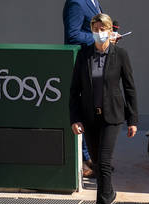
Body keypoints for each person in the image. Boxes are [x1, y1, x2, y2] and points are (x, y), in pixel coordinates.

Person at [69, 13, 138, 204]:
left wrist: (133, 119)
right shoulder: (84, 55)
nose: (99, 33)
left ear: (110, 31)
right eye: (95, 29)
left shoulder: (120, 55)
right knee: (98, 165)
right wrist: (75, 118)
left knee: (105, 162)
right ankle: (108, 193)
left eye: (103, 29)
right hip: (90, 117)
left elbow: (129, 88)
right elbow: (74, 91)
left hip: (113, 117)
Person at [63, 0, 103, 177]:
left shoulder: (94, 2)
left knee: (93, 111)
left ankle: (92, 159)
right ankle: (85, 161)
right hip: (81, 64)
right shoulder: (76, 3)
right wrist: (99, 38)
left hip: (94, 62)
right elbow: (73, 35)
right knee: (84, 112)